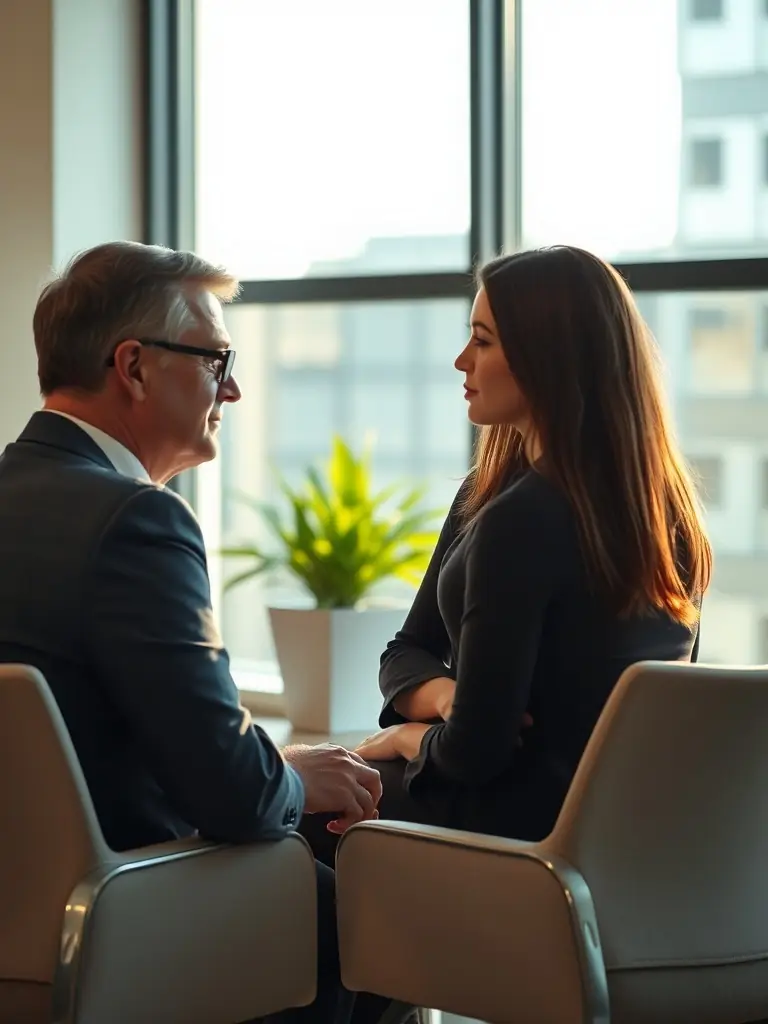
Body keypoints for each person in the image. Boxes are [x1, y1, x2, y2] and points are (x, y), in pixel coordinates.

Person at [0, 241, 385, 1024]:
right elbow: (234, 794)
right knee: (367, 912)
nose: (234, 389)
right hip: (121, 907)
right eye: (216, 359)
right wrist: (297, 778)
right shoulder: (136, 520)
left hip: (20, 909)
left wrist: (272, 765)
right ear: (134, 367)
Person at [301, 245, 711, 863]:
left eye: (483, 342)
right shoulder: (666, 513)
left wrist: (412, 735)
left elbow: (474, 754)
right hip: (621, 842)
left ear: (548, 359)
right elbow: (406, 651)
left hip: (507, 832)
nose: (462, 360)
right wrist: (445, 698)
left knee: (287, 822)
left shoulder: (519, 520)